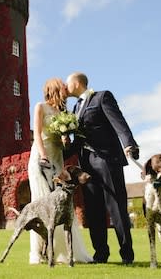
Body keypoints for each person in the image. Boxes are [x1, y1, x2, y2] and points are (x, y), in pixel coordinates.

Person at [65, 72, 139, 265]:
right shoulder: (75, 108)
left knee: (116, 208)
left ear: (77, 83)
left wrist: (129, 143)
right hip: (87, 165)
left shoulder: (102, 97)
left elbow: (119, 123)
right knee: (94, 210)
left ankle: (127, 254)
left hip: (107, 160)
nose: (65, 87)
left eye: (67, 83)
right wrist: (56, 156)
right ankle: (101, 255)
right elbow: (78, 141)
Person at [27, 77, 92, 264]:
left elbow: (64, 142)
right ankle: (38, 253)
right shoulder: (40, 107)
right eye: (63, 87)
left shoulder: (63, 112)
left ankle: (66, 252)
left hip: (58, 159)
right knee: (41, 203)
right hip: (41, 158)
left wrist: (66, 139)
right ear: (54, 89)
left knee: (62, 204)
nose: (66, 89)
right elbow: (37, 134)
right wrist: (42, 155)